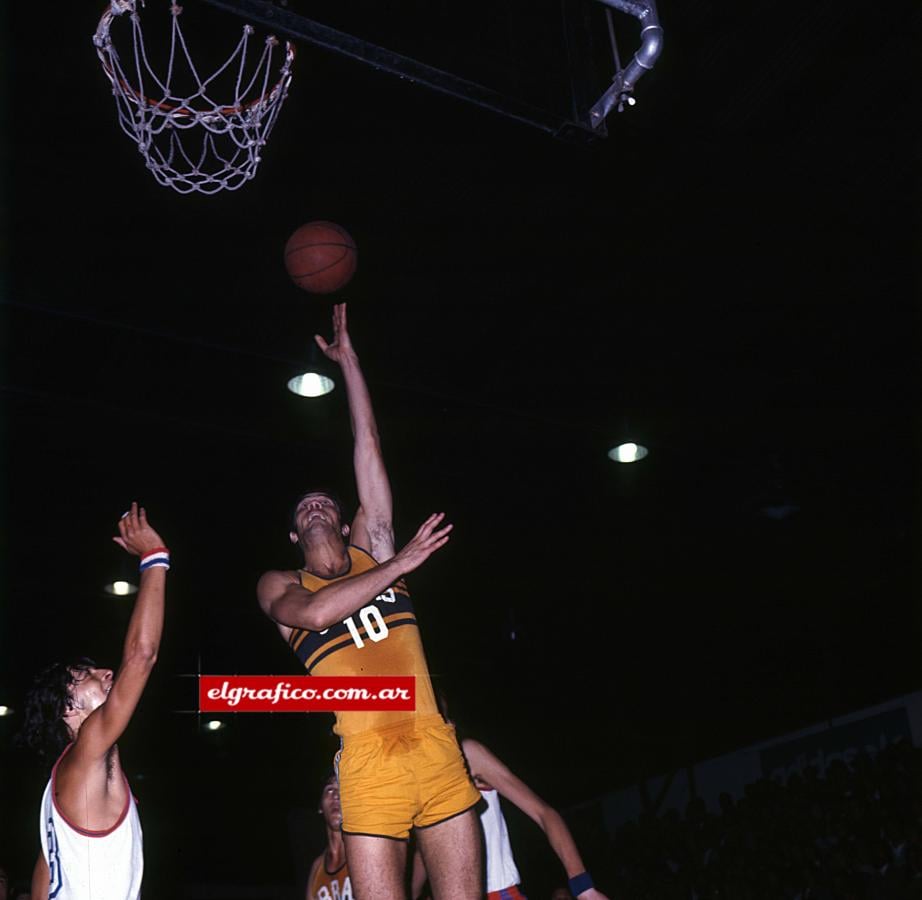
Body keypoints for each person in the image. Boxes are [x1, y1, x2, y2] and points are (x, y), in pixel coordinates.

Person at [257, 303, 482, 900]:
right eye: (302, 508)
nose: (315, 506)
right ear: (293, 535)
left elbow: (368, 443)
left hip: (433, 742)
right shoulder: (281, 583)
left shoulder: (376, 547)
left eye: (324, 501)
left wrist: (349, 362)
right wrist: (404, 563)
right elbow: (315, 615)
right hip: (365, 764)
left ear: (342, 516)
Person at [20, 504, 169, 900]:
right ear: (67, 710)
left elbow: (42, 886)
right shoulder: (84, 755)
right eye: (84, 675)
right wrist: (154, 558)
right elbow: (141, 656)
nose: (105, 672)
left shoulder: (55, 805)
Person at [305, 773, 350, 900]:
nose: (336, 796)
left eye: (343, 789)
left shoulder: (366, 855)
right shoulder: (317, 868)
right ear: (320, 806)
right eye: (330, 789)